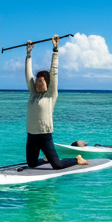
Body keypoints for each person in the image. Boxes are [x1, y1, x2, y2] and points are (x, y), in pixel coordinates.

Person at [25, 37, 86, 169]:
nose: (37, 83)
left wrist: (55, 50)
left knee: (57, 165)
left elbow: (54, 71)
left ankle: (77, 160)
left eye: (40, 81)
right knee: (32, 164)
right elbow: (28, 74)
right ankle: (46, 160)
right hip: (31, 136)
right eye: (36, 81)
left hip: (44, 136)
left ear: (47, 83)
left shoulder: (51, 95)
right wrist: (29, 54)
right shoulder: (33, 94)